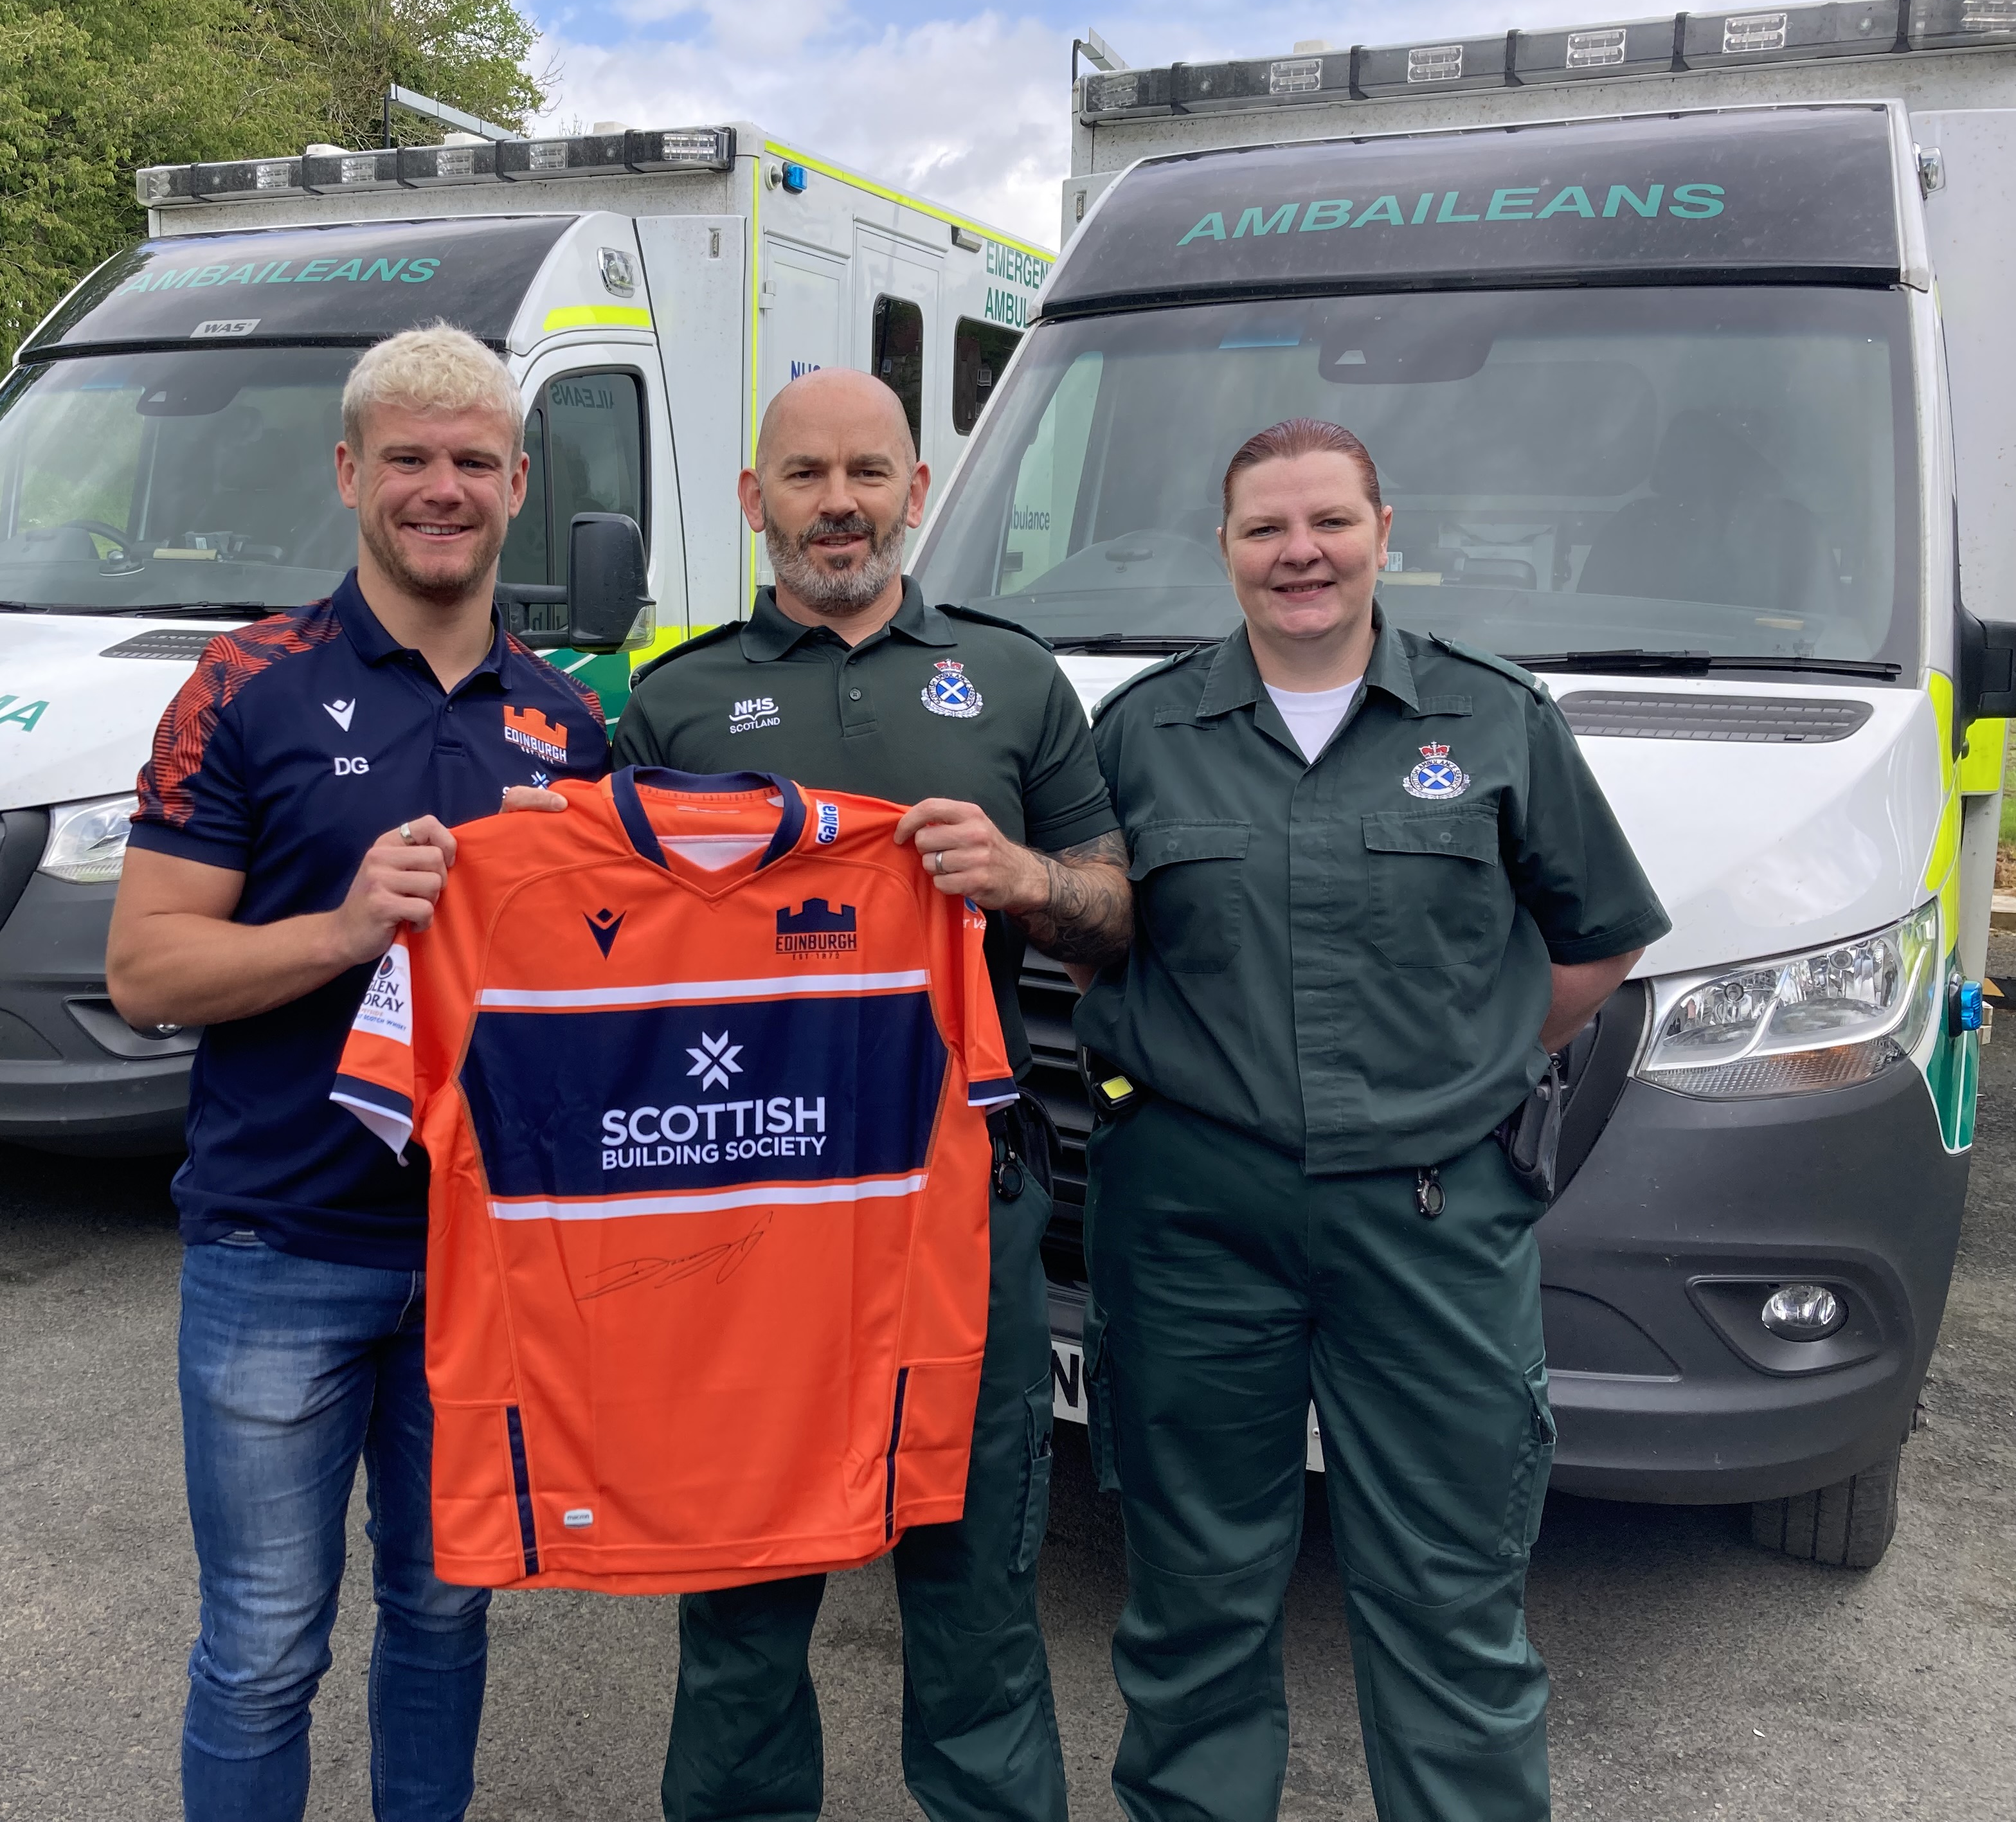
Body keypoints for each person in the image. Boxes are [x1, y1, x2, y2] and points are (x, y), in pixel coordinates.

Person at [1077, 417, 1671, 1822]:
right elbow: (1090, 935)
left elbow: (1597, 942)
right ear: (1221, 550)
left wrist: (1464, 1067)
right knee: (1195, 1596)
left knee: (1451, 1597)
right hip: (1193, 1222)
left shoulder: (1495, 720)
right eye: (1267, 528)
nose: (1301, 554)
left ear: (1384, 534)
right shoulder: (1143, 732)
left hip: (1430, 1221)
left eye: (1330, 524)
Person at [611, 366, 1134, 1822]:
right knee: (739, 1619)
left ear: (918, 488)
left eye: (867, 472)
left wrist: (1028, 880)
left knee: (973, 1607)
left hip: (965, 1202)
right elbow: (602, 964)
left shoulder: (1015, 681)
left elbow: (1116, 909)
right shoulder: (676, 699)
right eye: (803, 475)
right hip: (741, 1216)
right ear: (752, 499)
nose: (837, 504)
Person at [105, 323, 611, 1822]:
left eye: (471, 461)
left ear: (519, 483)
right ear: (350, 473)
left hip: (481, 1262)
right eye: (409, 458)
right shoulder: (243, 685)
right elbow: (145, 974)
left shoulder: (570, 722)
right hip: (281, 1244)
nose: (439, 488)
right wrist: (341, 928)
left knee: (447, 1617)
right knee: (263, 1647)